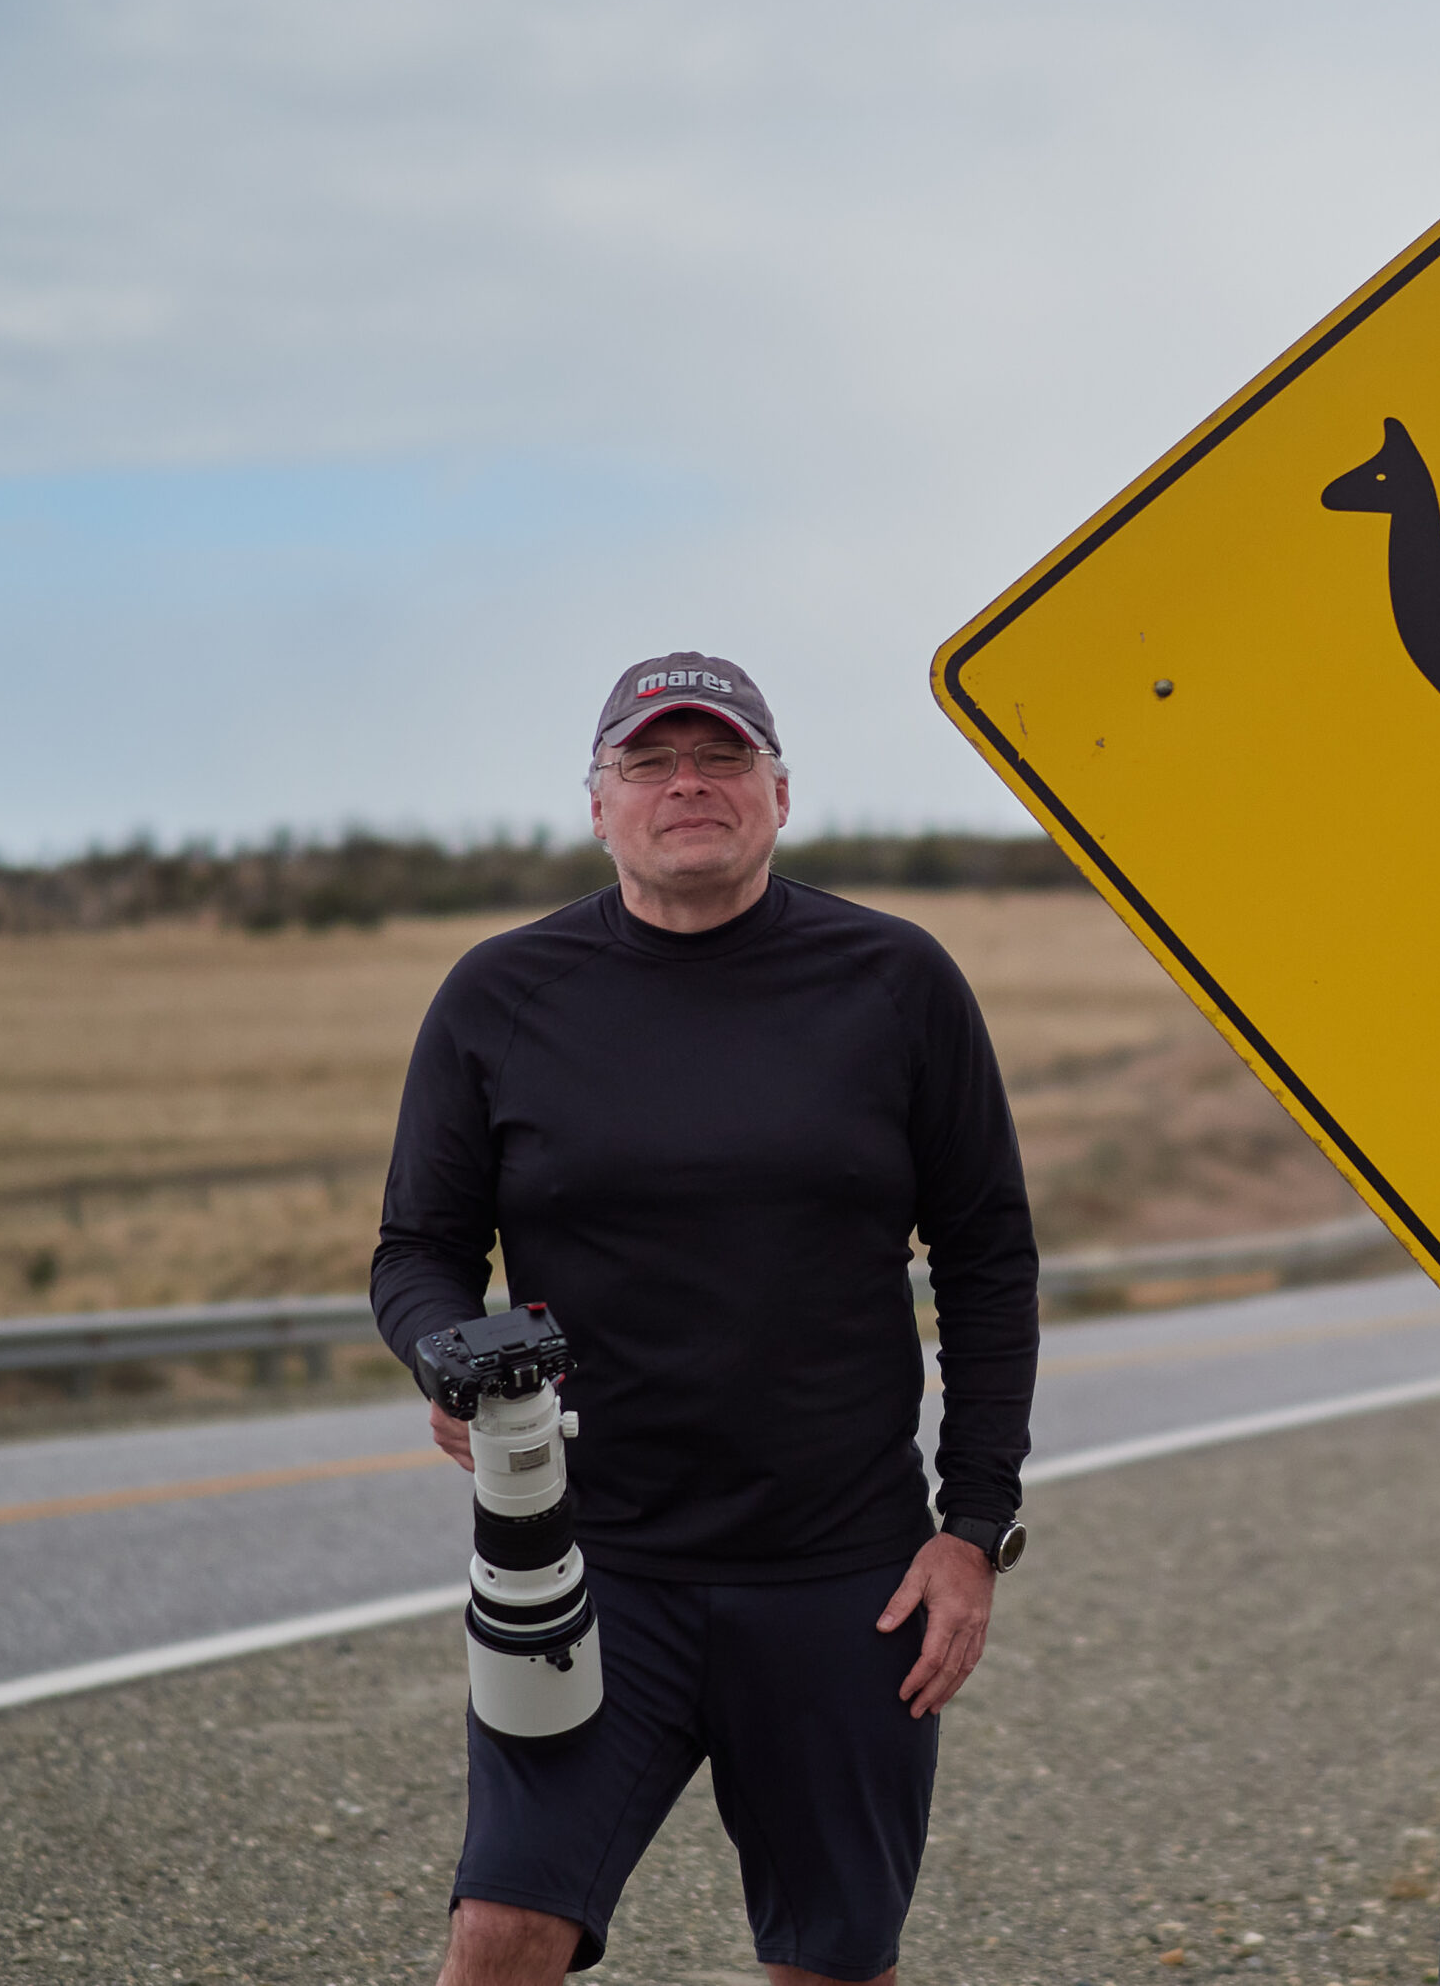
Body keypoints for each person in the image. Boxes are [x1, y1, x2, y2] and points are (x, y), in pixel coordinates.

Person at [371, 653, 1039, 1986]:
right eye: (651, 760)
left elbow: (987, 1260)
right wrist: (449, 1362)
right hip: (583, 1568)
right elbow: (418, 1253)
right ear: (599, 803)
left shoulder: (896, 982)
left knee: (834, 1966)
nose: (689, 782)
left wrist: (970, 1531)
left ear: (779, 793)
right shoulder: (500, 996)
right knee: (501, 1934)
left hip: (844, 1579)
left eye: (722, 756)